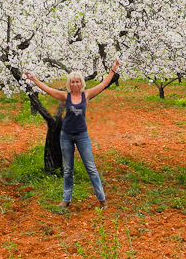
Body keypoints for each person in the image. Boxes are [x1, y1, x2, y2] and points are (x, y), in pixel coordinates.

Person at [24, 59, 120, 209]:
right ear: (69, 84)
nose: (75, 84)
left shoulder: (86, 94)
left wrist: (112, 70)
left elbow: (103, 84)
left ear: (81, 83)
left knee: (91, 167)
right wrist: (33, 79)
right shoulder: (65, 96)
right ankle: (66, 199)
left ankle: (102, 200)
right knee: (68, 169)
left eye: (77, 82)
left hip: (82, 135)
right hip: (66, 136)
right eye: (73, 82)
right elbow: (48, 89)